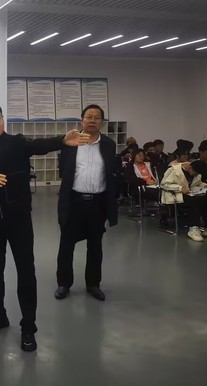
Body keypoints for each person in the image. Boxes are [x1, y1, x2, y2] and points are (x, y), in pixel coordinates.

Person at [0, 102, 88, 352]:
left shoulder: (16, 143)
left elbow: (39, 145)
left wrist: (62, 140)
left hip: (19, 221)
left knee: (26, 272)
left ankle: (28, 327)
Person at [55, 104, 118, 302]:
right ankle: (64, 283)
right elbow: (64, 171)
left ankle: (93, 284)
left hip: (98, 203)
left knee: (95, 246)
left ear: (102, 122)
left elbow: (110, 173)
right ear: (81, 120)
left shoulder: (109, 145)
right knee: (66, 245)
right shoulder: (70, 142)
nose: (92, 121)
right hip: (74, 201)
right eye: (89, 117)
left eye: (97, 117)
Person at [160, 161, 207, 242]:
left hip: (190, 193)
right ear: (190, 168)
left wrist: (203, 185)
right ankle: (193, 228)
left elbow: (197, 184)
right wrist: (180, 188)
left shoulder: (197, 171)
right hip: (176, 195)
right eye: (195, 173)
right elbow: (164, 184)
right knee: (195, 201)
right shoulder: (173, 170)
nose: (196, 175)